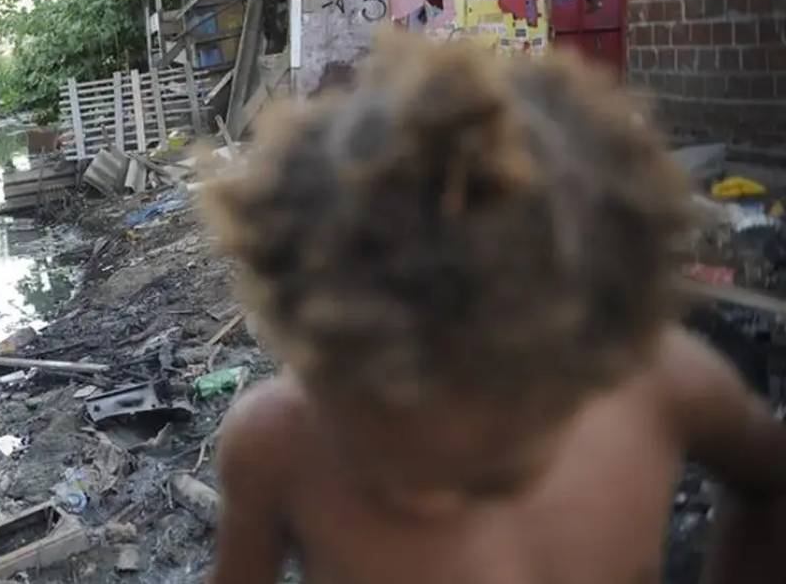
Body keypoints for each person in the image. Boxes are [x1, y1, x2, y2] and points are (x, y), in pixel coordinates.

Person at [200, 31, 786, 584]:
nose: (424, 501)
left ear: (584, 362)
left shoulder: (660, 382)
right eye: (389, 442)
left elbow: (767, 482)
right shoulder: (274, 446)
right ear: (309, 352)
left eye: (489, 474)